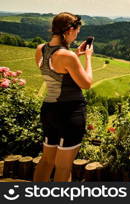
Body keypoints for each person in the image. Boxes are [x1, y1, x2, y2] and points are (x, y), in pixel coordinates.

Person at [33, 12, 93, 182]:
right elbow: (87, 83)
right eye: (76, 33)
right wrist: (88, 59)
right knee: (64, 166)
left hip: (49, 110)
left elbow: (57, 69)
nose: (75, 36)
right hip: (69, 112)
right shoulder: (67, 56)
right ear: (69, 30)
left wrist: (75, 54)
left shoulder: (40, 49)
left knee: (46, 160)